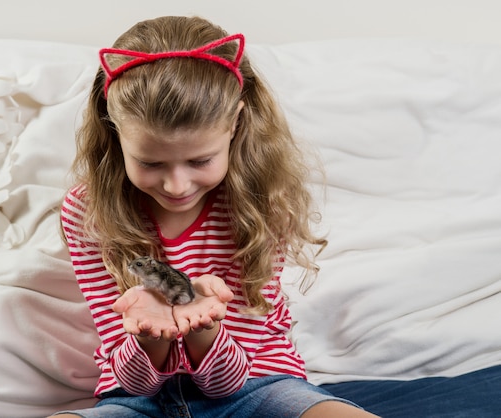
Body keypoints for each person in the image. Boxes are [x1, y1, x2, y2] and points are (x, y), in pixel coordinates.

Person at [50, 15, 378, 418]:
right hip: (139, 402)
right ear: (114, 130)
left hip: (258, 385)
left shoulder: (262, 204)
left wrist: (205, 328)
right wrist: (152, 336)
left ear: (236, 122)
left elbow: (228, 382)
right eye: (150, 162)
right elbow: (133, 381)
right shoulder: (88, 213)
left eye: (200, 160)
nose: (176, 185)